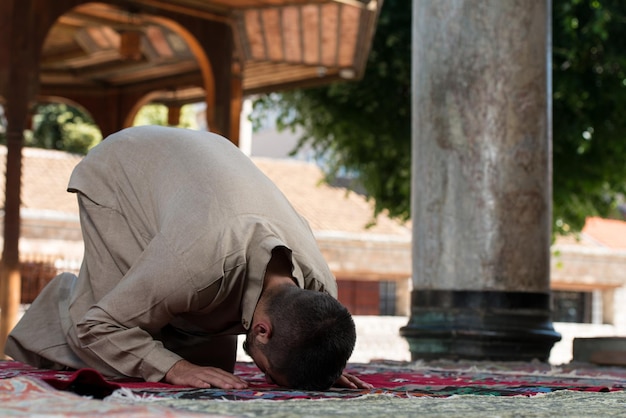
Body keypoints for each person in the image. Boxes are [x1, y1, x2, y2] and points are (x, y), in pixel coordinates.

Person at [5, 125, 371, 391]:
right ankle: (63, 303)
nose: (265, 377)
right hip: (123, 171)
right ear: (262, 330)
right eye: (270, 374)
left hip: (199, 168)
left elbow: (311, 334)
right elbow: (99, 329)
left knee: (211, 371)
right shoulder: (195, 264)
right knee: (117, 349)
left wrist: (320, 364)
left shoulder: (321, 287)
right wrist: (174, 367)